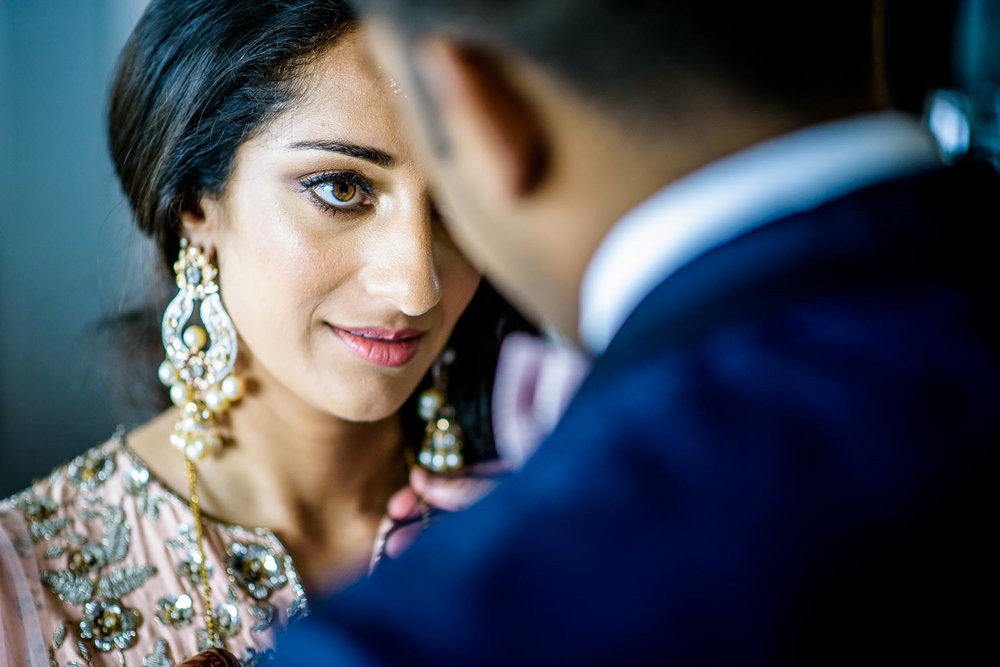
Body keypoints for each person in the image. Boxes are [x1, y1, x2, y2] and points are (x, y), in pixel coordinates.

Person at [273, 1, 1000, 664]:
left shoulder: (429, 636)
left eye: (431, 159)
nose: (416, 285)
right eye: (343, 188)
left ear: (479, 108)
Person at [0, 1, 529, 665]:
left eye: (459, 197)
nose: (416, 285)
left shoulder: (567, 514)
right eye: (341, 188)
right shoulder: (23, 587)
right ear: (195, 202)